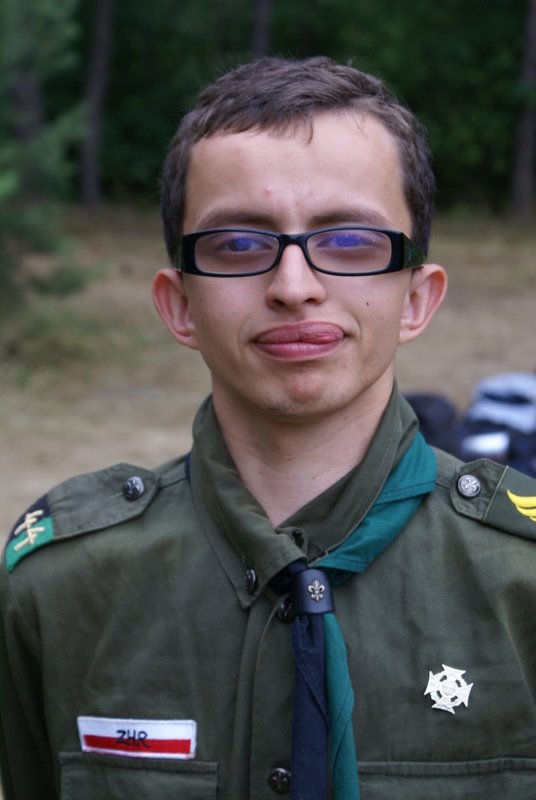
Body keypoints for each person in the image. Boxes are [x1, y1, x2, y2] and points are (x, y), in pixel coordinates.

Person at [1, 56, 536, 800]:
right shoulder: (63, 588)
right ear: (180, 306)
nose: (294, 287)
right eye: (239, 245)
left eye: (349, 240)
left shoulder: (520, 580)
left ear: (417, 297)